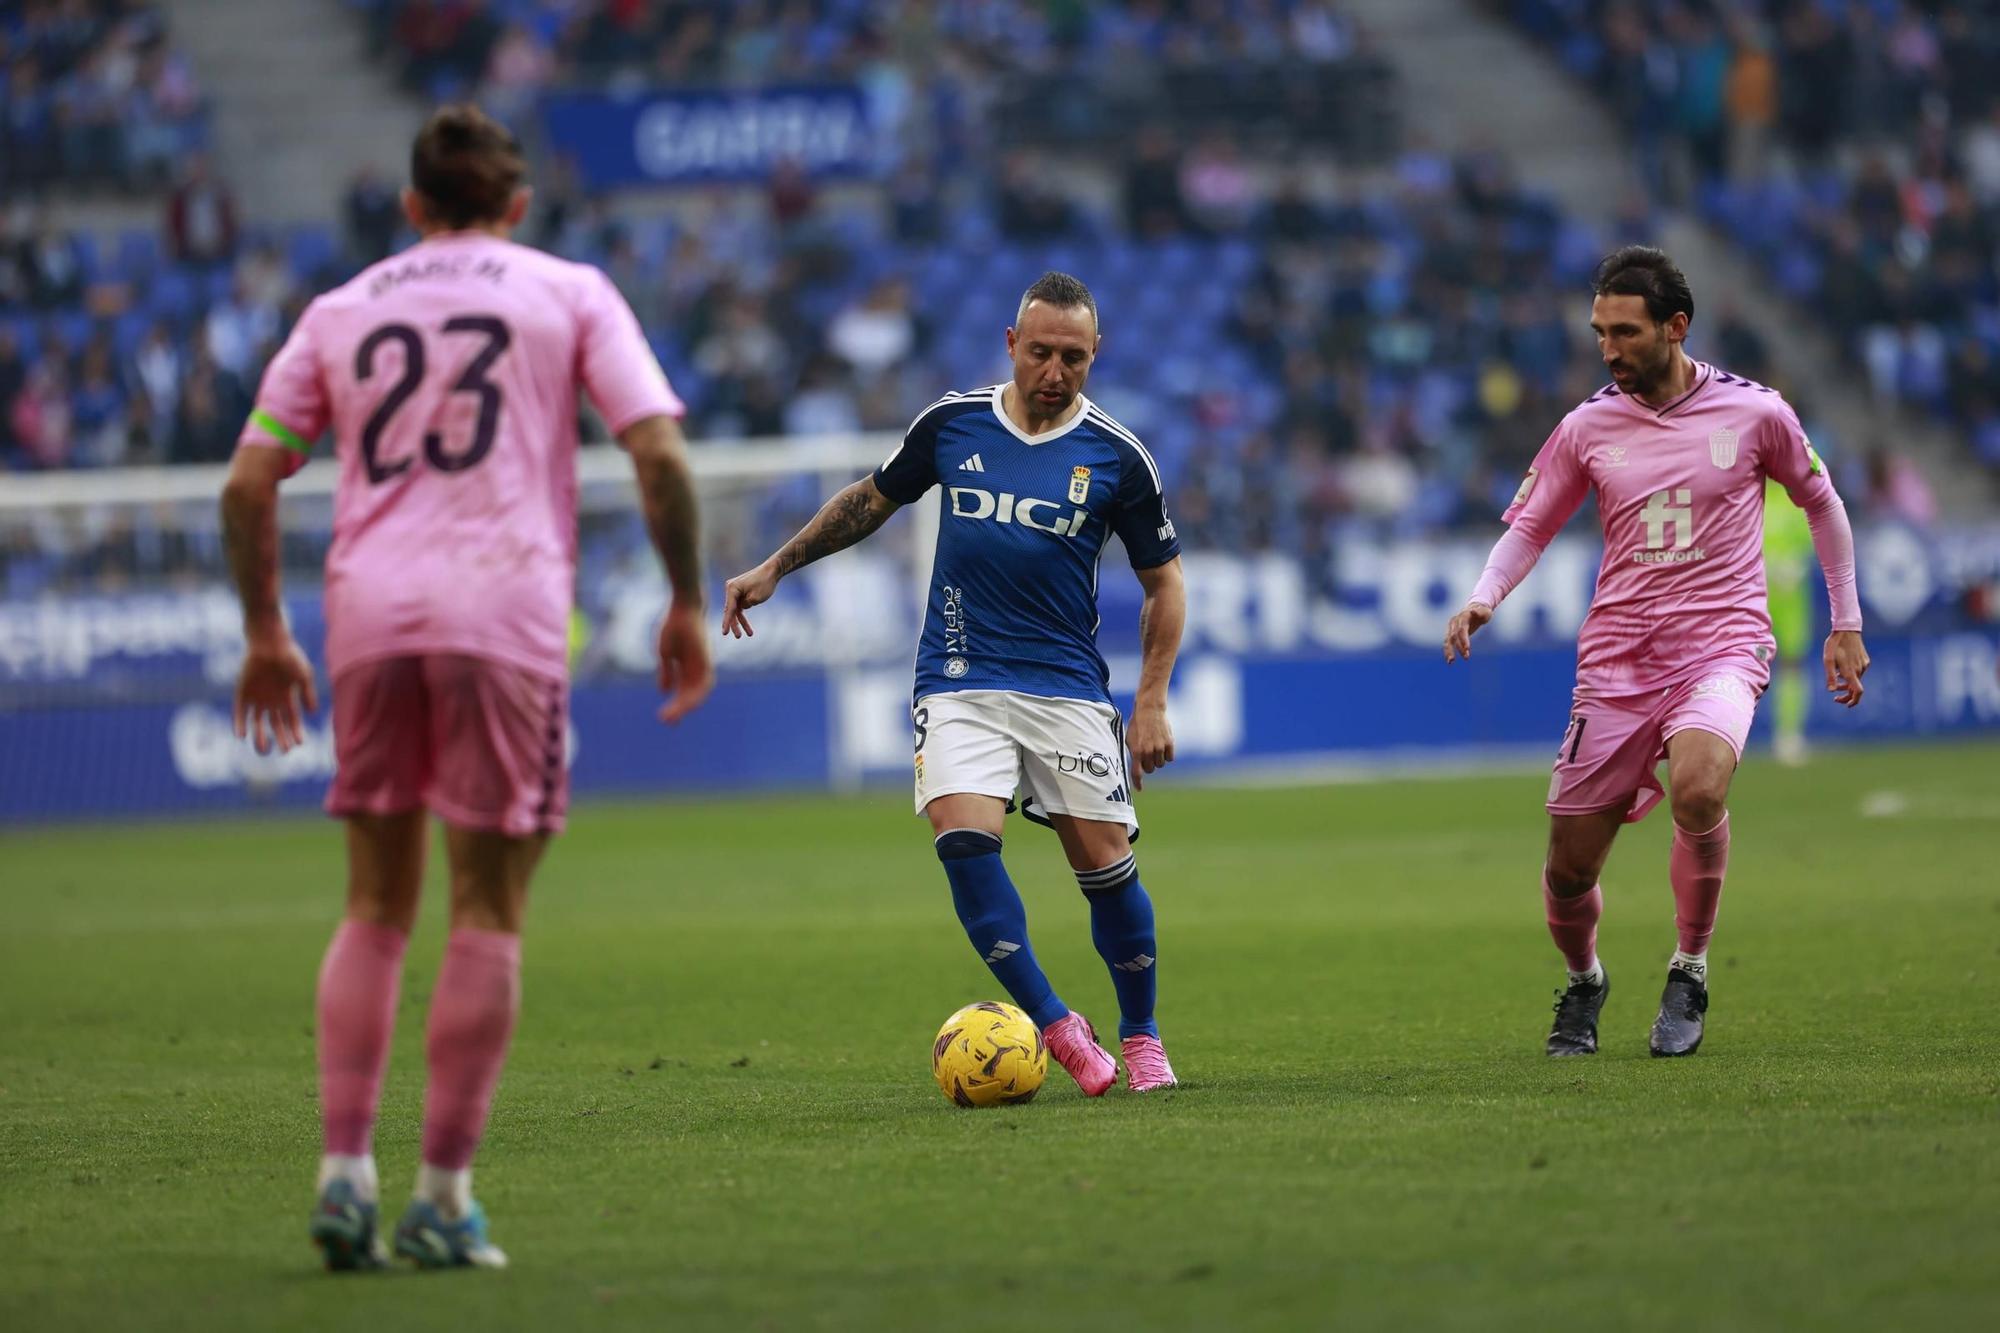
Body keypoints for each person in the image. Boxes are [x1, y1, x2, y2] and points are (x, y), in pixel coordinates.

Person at [220, 105, 712, 1272]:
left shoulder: (341, 311)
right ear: (516, 206)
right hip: (503, 615)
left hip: (370, 619)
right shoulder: (569, 291)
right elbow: (658, 454)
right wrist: (686, 600)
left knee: (375, 904)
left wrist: (261, 632)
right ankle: (441, 1198)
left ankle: (344, 1173)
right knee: (485, 905)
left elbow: (248, 484)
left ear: (409, 207)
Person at [721, 272, 1187, 1096]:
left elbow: (1165, 583)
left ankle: (1142, 1035)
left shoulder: (1118, 456)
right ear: (1011, 344)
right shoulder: (953, 423)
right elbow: (870, 501)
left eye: (1073, 357)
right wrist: (775, 566)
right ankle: (1056, 1025)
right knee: (964, 843)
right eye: (1040, 351)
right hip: (959, 675)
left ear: (1095, 356)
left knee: (1106, 868)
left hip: (1067, 687)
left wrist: (1149, 700)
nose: (1054, 369)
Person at [1442, 246, 1868, 1059]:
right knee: (1569, 869)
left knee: (1700, 790)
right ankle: (1585, 980)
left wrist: (1844, 620)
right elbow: (1530, 526)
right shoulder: (1586, 426)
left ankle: (1691, 965)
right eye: (1600, 332)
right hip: (1617, 663)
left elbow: (1822, 500)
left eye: (1626, 332)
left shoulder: (1757, 412)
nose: (1609, 348)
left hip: (1722, 643)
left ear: (1677, 327)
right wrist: (1483, 595)